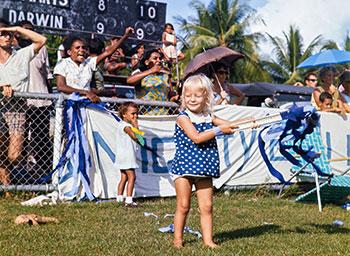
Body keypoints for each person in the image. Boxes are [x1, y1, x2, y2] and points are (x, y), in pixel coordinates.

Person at [171, 74, 249, 248]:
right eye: (188, 95)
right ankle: (177, 240)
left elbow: (231, 124)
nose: (192, 99)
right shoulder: (183, 118)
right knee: (183, 206)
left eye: (197, 95)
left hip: (204, 168)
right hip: (183, 169)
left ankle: (208, 241)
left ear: (206, 97)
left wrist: (249, 123)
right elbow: (197, 137)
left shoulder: (209, 116)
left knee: (207, 206)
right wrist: (219, 130)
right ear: (183, 97)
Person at [0, 19, 47, 186]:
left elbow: (42, 40)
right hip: (0, 107)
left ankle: (6, 182)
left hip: (16, 108)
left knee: (14, 155)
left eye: (9, 34)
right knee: (0, 150)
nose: (6, 37)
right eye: (2, 33)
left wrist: (16, 28)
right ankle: (7, 189)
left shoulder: (21, 54)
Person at [54, 27, 134, 102]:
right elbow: (61, 86)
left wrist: (125, 36)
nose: (81, 50)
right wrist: (85, 92)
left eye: (83, 48)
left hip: (85, 104)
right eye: (77, 48)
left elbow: (108, 52)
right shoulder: (63, 63)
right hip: (67, 105)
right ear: (69, 52)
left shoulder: (89, 62)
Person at [17, 20, 53, 178]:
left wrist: (51, 98)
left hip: (41, 101)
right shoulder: (12, 49)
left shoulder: (42, 49)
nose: (28, 33)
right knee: (20, 139)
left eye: (31, 30)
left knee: (41, 139)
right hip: (20, 102)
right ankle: (19, 173)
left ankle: (45, 174)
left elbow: (47, 75)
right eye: (25, 30)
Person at [127, 48, 177, 114]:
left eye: (160, 58)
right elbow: (129, 81)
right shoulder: (141, 74)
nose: (159, 60)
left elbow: (171, 97)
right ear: (147, 62)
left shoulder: (166, 76)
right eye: (155, 58)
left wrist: (176, 95)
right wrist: (151, 71)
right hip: (146, 116)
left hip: (164, 116)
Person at [116, 102, 140, 207]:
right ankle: (129, 200)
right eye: (133, 114)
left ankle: (119, 197)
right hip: (127, 156)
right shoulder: (126, 126)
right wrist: (136, 126)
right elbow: (136, 137)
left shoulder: (123, 125)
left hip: (122, 156)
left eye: (136, 114)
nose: (135, 116)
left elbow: (140, 139)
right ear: (124, 115)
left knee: (124, 177)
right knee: (132, 177)